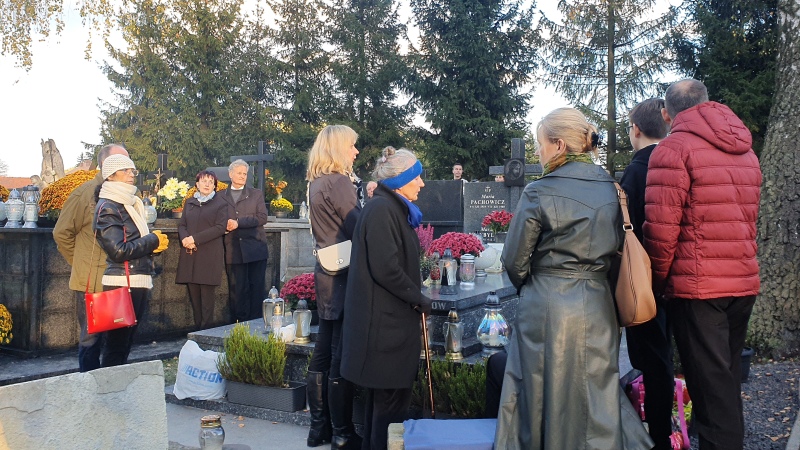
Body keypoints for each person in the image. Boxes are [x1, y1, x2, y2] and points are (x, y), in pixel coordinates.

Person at [494, 107, 652, 449]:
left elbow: (514, 260)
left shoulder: (538, 191)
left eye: (541, 144)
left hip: (545, 303)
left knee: (539, 389)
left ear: (559, 145)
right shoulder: (614, 189)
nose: (539, 152)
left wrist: (534, 284)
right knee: (596, 390)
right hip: (598, 303)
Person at [643, 79, 762, 450]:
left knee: (711, 397)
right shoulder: (745, 149)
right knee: (724, 385)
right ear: (708, 101)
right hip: (741, 281)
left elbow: (661, 231)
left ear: (666, 114)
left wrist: (655, 286)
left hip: (698, 289)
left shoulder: (673, 149)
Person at [341, 147, 430, 450]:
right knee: (389, 409)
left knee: (383, 406)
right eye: (417, 177)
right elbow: (386, 268)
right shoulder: (382, 210)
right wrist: (418, 297)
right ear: (401, 179)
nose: (422, 183)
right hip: (384, 329)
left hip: (388, 325)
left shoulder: (391, 207)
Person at [305, 125, 363, 449]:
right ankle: (342, 433)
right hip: (345, 272)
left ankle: (319, 429)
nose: (356, 152)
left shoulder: (316, 182)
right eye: (352, 146)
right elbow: (358, 226)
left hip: (326, 270)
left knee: (323, 349)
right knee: (340, 353)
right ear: (338, 148)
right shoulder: (339, 182)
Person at [621, 98, 673, 449]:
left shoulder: (637, 170)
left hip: (643, 279)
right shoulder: (675, 163)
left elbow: (628, 228)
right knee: (667, 357)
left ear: (636, 129)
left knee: (651, 361)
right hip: (680, 276)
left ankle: (657, 436)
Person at [54, 144, 130, 372]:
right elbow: (62, 233)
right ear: (106, 165)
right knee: (91, 339)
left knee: (117, 341)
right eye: (122, 163)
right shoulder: (85, 193)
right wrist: (80, 263)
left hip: (119, 278)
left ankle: (110, 386)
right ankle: (88, 385)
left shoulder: (127, 195)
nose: (129, 169)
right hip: (92, 280)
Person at [93, 154, 169, 367]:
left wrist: (153, 248)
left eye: (132, 170)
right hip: (121, 282)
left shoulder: (128, 202)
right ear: (110, 175)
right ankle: (110, 385)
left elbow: (132, 242)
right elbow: (118, 251)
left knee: (125, 344)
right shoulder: (109, 206)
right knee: (116, 346)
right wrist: (152, 241)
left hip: (136, 279)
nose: (131, 174)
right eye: (125, 170)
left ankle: (118, 384)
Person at [176, 170, 228, 329]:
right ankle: (197, 332)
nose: (207, 184)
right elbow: (182, 224)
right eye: (204, 181)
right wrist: (185, 239)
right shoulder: (189, 202)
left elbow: (220, 228)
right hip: (190, 255)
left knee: (207, 301)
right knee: (195, 299)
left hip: (209, 256)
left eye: (211, 182)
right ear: (197, 184)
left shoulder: (221, 204)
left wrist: (194, 239)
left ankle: (206, 333)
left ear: (215, 186)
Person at [221, 159, 269, 322]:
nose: (242, 176)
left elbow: (262, 217)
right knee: (237, 290)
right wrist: (224, 226)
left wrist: (239, 223)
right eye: (239, 173)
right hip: (233, 249)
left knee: (256, 289)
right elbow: (216, 218)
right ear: (230, 174)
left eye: (245, 173)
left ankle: (256, 323)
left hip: (255, 249)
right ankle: (238, 325)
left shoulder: (256, 194)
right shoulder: (221, 196)